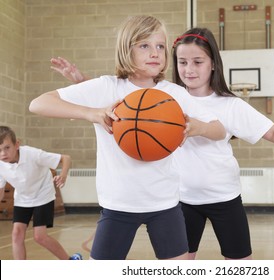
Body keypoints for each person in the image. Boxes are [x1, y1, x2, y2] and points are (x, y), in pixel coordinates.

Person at [50, 27, 274, 260]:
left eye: (197, 62)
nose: (189, 69)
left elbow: (271, 131)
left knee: (240, 260)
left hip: (223, 196)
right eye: (182, 62)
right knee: (184, 259)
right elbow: (126, 107)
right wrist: (84, 84)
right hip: (182, 198)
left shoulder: (229, 105)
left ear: (213, 63)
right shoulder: (163, 96)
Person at [29, 16, 226, 260]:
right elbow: (38, 104)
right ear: (126, 49)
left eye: (160, 46)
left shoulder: (174, 93)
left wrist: (199, 127)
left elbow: (220, 130)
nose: (155, 53)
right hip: (118, 205)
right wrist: (91, 113)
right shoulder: (106, 88)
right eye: (144, 45)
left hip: (165, 204)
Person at [0, 126, 81, 260]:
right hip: (23, 198)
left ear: (17, 144)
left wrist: (64, 175)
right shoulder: (1, 165)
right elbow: (1, 193)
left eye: (7, 148)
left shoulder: (33, 154)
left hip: (43, 195)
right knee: (17, 234)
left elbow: (65, 158)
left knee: (40, 237)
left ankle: (70, 261)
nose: (3, 153)